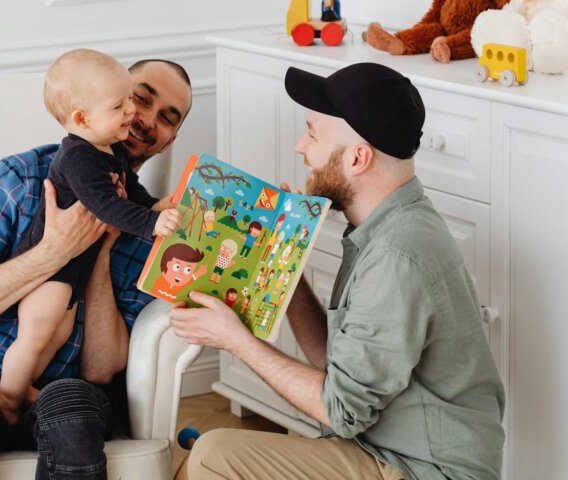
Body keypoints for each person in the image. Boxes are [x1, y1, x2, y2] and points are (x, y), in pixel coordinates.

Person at [170, 63, 505, 480]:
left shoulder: (398, 256)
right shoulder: (383, 227)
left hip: (423, 469)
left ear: (358, 158)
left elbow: (341, 410)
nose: (299, 146)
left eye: (312, 133)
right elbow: (339, 367)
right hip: (385, 449)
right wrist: (282, 266)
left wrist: (234, 339)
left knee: (212, 455)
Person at [0, 58, 192, 480]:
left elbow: (101, 368)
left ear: (168, 142)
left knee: (73, 413)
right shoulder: (22, 177)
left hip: (64, 385)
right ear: (96, 103)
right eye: (138, 99)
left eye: (167, 118)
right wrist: (53, 251)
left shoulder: (147, 228)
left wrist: (100, 246)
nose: (144, 119)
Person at [0, 49, 181, 424]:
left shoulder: (111, 151)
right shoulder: (78, 157)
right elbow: (104, 205)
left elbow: (132, 192)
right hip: (49, 271)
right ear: (82, 117)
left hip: (72, 275)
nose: (132, 112)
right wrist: (149, 223)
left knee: (56, 333)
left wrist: (156, 205)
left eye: (129, 99)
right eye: (125, 102)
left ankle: (25, 384)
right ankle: (7, 397)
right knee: (36, 333)